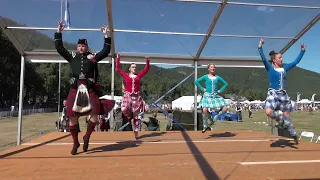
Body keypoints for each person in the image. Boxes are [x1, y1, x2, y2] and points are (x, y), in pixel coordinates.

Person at [54, 21, 115, 155]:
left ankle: (87, 136)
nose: (81, 48)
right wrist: (59, 32)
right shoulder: (72, 56)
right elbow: (59, 48)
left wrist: (106, 35)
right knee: (71, 116)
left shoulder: (92, 58)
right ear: (77, 47)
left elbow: (105, 51)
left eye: (83, 46)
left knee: (95, 115)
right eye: (79, 45)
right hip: (75, 89)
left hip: (90, 89)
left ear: (87, 47)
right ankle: (75, 142)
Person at [258, 39, 306, 144]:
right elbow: (263, 59)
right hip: (273, 93)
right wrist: (260, 47)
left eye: (282, 57)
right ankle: (280, 119)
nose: (282, 59)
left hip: (283, 94)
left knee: (287, 115)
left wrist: (302, 51)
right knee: (268, 112)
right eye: (280, 58)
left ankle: (293, 134)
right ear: (274, 61)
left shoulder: (284, 69)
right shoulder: (270, 69)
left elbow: (295, 62)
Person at [115, 53, 150, 139]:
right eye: (133, 67)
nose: (134, 68)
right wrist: (118, 58)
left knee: (136, 116)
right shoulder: (126, 75)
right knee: (123, 108)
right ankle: (128, 116)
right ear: (130, 69)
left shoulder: (138, 76)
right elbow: (118, 68)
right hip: (128, 95)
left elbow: (146, 69)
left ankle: (136, 132)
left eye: (135, 67)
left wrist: (147, 60)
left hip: (136, 97)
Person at [195, 63, 229, 133]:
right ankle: (205, 125)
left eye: (214, 67)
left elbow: (225, 84)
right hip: (207, 95)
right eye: (211, 67)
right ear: (208, 69)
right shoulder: (206, 77)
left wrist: (220, 90)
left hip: (215, 95)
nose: (213, 68)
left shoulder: (218, 77)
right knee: (204, 109)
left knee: (225, 107)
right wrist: (202, 89)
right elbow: (196, 82)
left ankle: (216, 116)